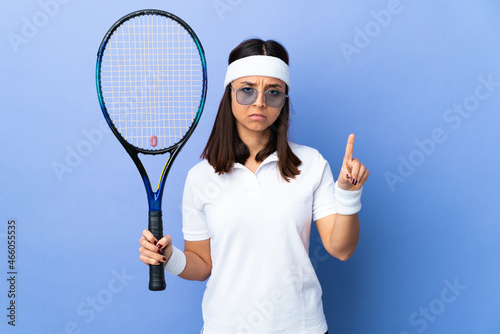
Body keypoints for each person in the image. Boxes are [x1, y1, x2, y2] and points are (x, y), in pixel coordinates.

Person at [139, 38, 369, 334]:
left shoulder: (311, 164)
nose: (260, 102)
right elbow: (202, 265)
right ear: (230, 94)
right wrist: (169, 258)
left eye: (273, 93)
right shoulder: (201, 177)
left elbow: (341, 249)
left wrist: (348, 196)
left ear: (284, 101)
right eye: (247, 90)